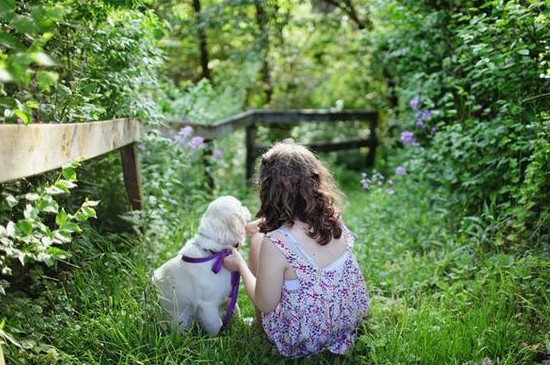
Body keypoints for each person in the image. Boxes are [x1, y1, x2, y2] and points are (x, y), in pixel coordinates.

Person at [223, 141, 370, 358]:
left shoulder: (276, 243)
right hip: (347, 322)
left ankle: (259, 326)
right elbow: (300, 233)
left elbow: (266, 303)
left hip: (304, 337)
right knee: (262, 238)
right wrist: (265, 223)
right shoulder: (333, 219)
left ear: (269, 188)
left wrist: (241, 266)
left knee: (257, 241)